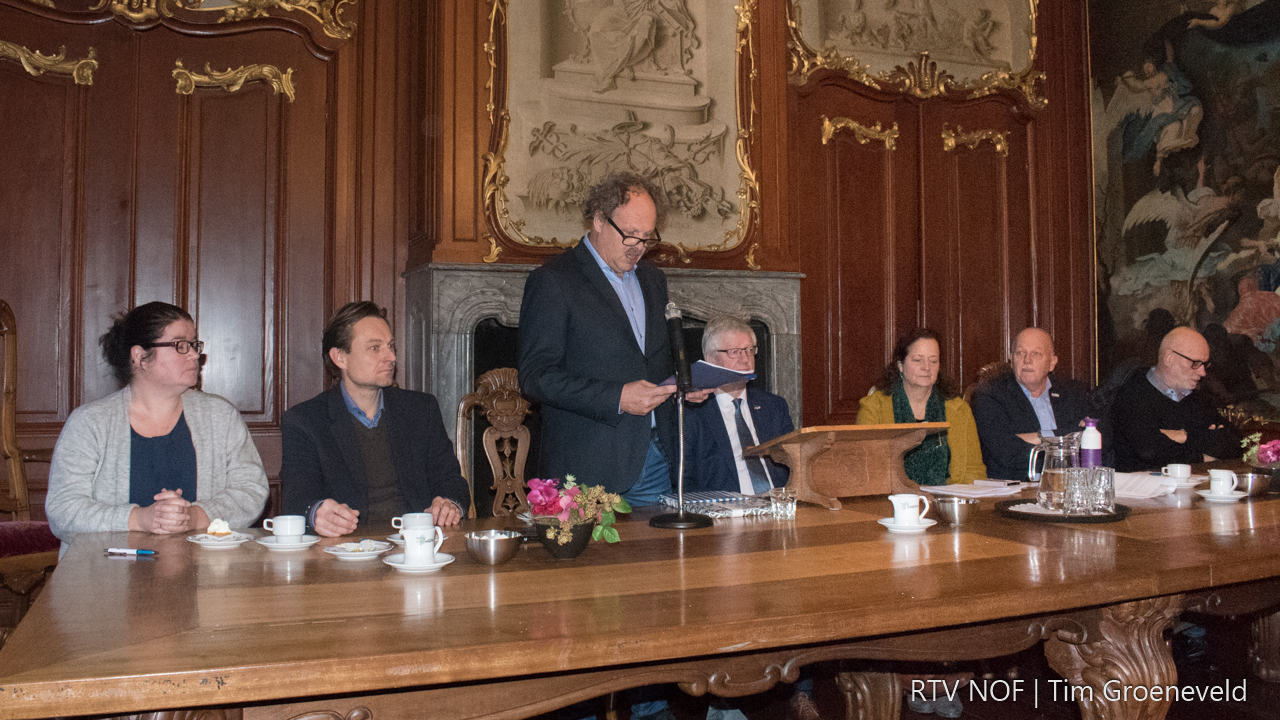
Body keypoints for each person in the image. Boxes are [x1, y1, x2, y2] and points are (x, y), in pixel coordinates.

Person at [519, 172, 710, 508]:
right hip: (585, 466)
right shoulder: (553, 281)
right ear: (599, 221)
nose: (639, 247)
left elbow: (651, 361)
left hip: (654, 459)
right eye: (630, 234)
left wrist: (683, 385)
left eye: (647, 237)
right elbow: (536, 377)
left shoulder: (653, 279)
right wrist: (617, 397)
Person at [45, 302, 269, 555]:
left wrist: (195, 517)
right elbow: (63, 511)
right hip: (106, 572)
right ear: (140, 356)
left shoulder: (220, 415)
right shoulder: (89, 422)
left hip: (205, 571)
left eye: (194, 345)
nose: (194, 355)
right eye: (180, 345)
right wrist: (139, 519)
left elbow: (251, 490)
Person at [280, 301, 468, 536]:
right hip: (347, 548)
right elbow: (297, 499)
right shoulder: (305, 421)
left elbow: (450, 479)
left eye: (390, 346)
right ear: (340, 357)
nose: (391, 357)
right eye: (375, 348)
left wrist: (450, 503)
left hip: (416, 543)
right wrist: (316, 513)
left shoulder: (421, 409)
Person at [855, 328, 986, 485]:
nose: (926, 367)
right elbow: (866, 470)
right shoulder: (874, 408)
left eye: (933, 361)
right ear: (900, 365)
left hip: (947, 498)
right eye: (917, 360)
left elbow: (974, 471)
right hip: (893, 498)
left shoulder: (960, 410)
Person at [684, 315, 793, 494]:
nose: (745, 359)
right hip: (724, 507)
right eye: (734, 352)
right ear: (710, 359)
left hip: (777, 504)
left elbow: (795, 464)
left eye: (749, 350)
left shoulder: (774, 407)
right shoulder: (692, 414)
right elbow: (685, 483)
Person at [970, 328, 1096, 480]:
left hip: (1072, 484)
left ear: (1052, 363)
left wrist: (1037, 438)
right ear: (1011, 360)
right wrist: (1071, 438)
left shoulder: (1073, 391)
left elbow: (1102, 436)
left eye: (1036, 353)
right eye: (1020, 353)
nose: (1027, 360)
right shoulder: (990, 394)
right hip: (1019, 487)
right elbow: (1006, 451)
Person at [1112, 326, 1240, 471]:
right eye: (1195, 363)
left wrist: (1184, 436)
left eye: (1205, 364)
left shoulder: (1200, 400)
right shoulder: (1133, 394)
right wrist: (1202, 456)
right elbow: (1149, 450)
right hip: (1144, 484)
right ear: (1169, 357)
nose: (1203, 372)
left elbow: (1236, 444)